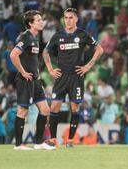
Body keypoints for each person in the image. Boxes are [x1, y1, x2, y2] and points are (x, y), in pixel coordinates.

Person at [43, 8, 103, 147]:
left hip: (76, 76)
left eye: (71, 17)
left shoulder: (83, 34)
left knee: (75, 108)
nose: (68, 20)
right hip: (61, 76)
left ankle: (70, 140)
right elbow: (45, 52)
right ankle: (53, 140)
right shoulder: (57, 36)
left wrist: (88, 66)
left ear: (76, 19)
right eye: (66, 17)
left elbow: (100, 49)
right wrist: (50, 69)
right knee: (55, 106)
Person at [10, 10, 55, 150]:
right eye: (38, 20)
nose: (42, 21)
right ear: (30, 23)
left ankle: (39, 142)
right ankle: (18, 145)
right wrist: (23, 72)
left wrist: (37, 75)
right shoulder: (25, 37)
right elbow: (13, 55)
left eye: (41, 19)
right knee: (23, 110)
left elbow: (32, 60)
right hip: (25, 79)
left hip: (35, 79)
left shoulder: (35, 38)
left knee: (45, 109)